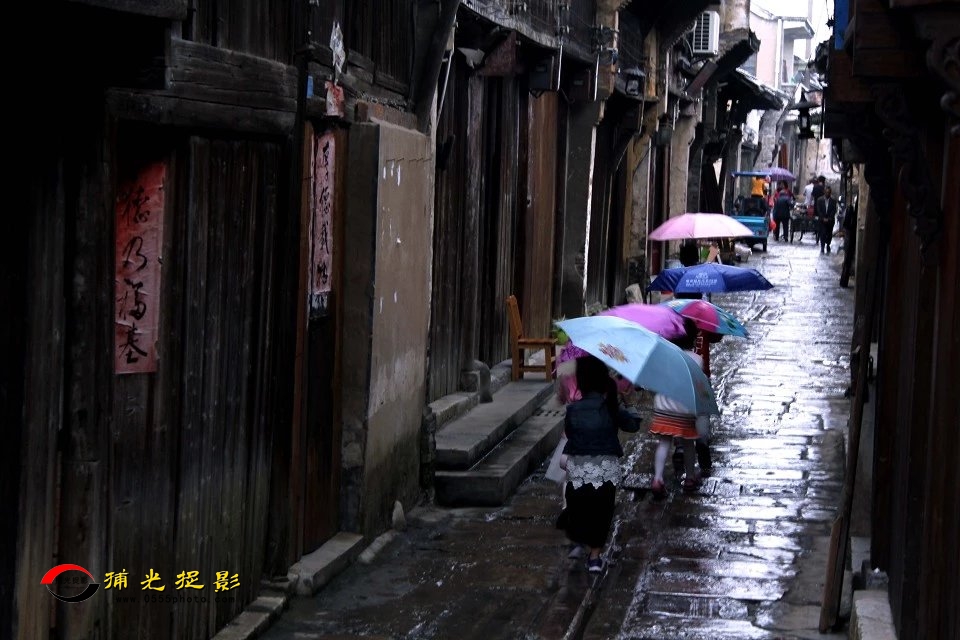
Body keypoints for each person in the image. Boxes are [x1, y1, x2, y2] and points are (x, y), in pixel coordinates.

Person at [556, 355, 640, 573]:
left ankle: (578, 540)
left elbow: (571, 433)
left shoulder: (573, 410)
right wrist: (630, 406)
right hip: (605, 468)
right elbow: (632, 426)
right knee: (602, 511)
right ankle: (594, 558)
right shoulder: (611, 408)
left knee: (580, 506)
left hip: (578, 467)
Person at [650, 318, 705, 498]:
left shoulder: (664, 356)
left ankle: (657, 479)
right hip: (684, 408)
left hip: (663, 405)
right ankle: (689, 478)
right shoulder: (697, 359)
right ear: (693, 338)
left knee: (664, 442)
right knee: (688, 443)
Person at [815, 185, 838, 254]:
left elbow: (834, 210)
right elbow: (819, 210)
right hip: (822, 220)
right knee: (822, 233)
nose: (827, 194)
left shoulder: (833, 201)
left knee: (829, 233)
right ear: (824, 192)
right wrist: (823, 218)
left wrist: (829, 218)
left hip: (830, 221)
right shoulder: (819, 200)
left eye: (829, 192)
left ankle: (828, 244)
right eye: (826, 192)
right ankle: (822, 246)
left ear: (830, 193)